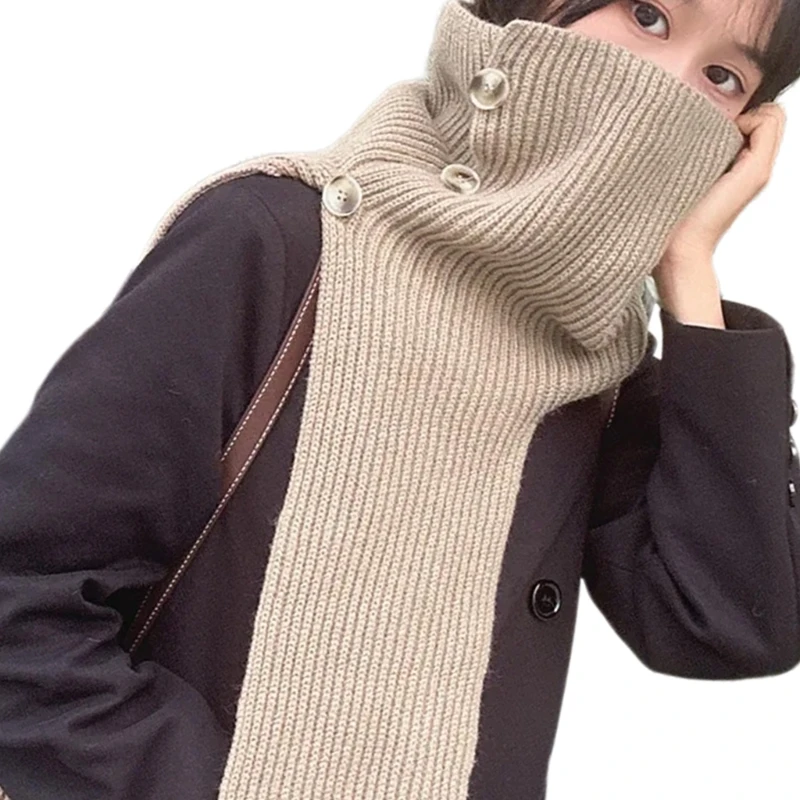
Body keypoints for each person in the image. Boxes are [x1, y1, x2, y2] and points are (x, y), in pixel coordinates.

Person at [0, 1, 798, 798]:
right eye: (649, 15)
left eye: (723, 77)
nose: (667, 86)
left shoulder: (597, 357)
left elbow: (728, 622)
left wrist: (689, 270)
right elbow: (23, 602)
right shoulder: (278, 240)